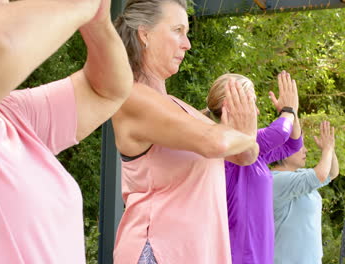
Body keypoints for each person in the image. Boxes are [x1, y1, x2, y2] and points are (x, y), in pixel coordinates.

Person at [0, 0, 132, 263]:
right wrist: (79, 4)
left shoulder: (11, 114)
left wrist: (97, 22)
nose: (10, 20)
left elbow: (107, 89)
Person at [111, 0, 260, 263]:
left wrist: (243, 137)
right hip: (156, 252)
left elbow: (245, 155)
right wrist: (243, 134)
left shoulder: (180, 108)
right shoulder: (133, 98)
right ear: (145, 35)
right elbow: (218, 143)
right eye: (178, 30)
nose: (187, 44)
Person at [204, 71, 303, 264]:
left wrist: (292, 113)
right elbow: (279, 133)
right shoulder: (227, 146)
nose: (257, 111)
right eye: (252, 103)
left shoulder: (251, 149)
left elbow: (293, 144)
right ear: (231, 106)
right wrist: (289, 110)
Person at [272, 121, 339, 264]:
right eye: (300, 146)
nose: (305, 150)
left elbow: (332, 173)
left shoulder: (299, 175)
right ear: (283, 150)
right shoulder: (276, 180)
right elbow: (320, 175)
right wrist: (327, 150)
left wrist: (330, 149)